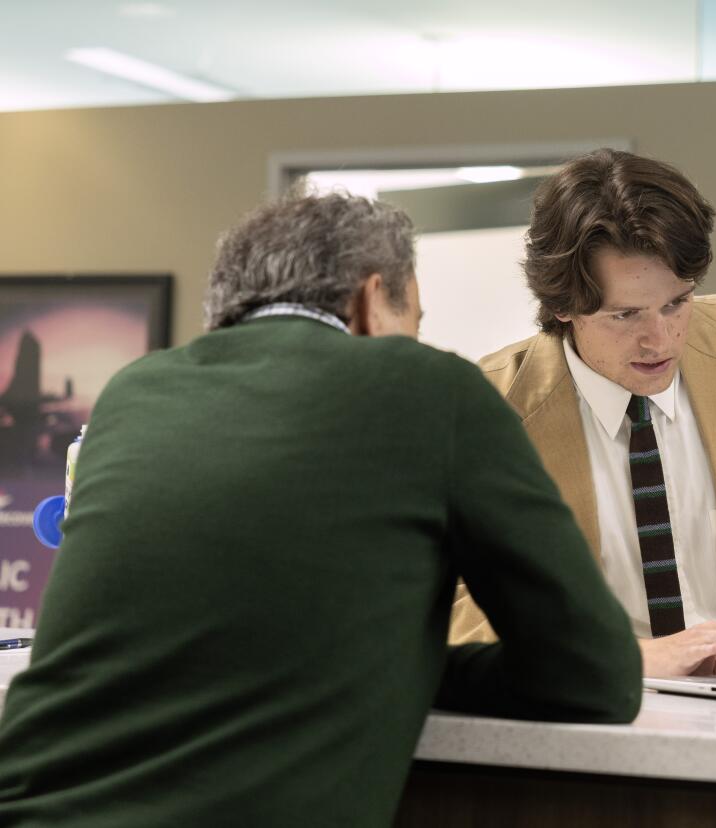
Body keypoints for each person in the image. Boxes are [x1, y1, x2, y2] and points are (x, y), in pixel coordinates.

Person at [0, 191, 641, 827]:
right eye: (413, 322)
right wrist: (407, 667)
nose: (417, 341)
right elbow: (595, 674)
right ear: (368, 302)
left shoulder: (133, 392)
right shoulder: (430, 387)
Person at [450, 149, 716, 678]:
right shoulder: (489, 405)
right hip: (603, 699)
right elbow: (455, 604)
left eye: (677, 303)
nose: (661, 339)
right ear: (562, 306)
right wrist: (626, 658)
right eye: (626, 314)